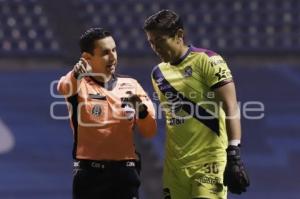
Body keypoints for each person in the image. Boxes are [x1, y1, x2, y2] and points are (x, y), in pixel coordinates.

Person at [144, 10, 249, 199]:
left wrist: (234, 154)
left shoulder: (208, 60)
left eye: (160, 40)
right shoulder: (157, 73)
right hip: (174, 167)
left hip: (209, 162)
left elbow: (231, 106)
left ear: (179, 35)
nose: (155, 47)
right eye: (151, 42)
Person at [57, 27, 157, 199]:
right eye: (105, 52)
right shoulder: (79, 85)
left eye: (114, 50)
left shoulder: (131, 85)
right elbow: (64, 87)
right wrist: (76, 73)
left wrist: (140, 109)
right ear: (87, 58)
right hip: (90, 176)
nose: (113, 57)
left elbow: (149, 131)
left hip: (125, 174)